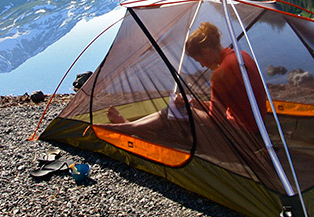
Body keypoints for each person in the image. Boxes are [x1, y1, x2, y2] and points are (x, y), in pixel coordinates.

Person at [107, 21, 267, 134]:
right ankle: (132, 125)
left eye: (200, 60)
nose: (203, 65)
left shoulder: (221, 73)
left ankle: (129, 127)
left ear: (206, 52)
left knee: (174, 111)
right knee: (180, 107)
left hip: (242, 130)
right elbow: (221, 106)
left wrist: (187, 109)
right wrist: (191, 102)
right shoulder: (241, 55)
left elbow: (215, 118)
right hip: (256, 124)